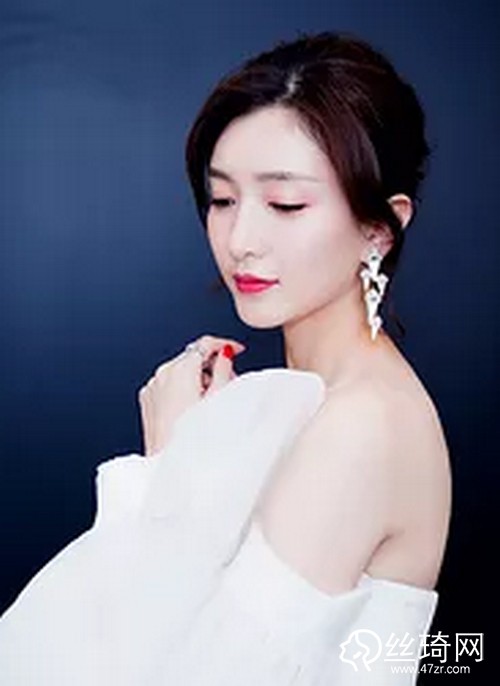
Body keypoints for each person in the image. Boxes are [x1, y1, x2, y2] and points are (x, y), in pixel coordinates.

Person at [0, 31, 452, 684]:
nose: (240, 239)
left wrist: (167, 465)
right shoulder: (314, 397)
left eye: (285, 204)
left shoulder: (365, 423)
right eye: (222, 200)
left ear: (379, 229)